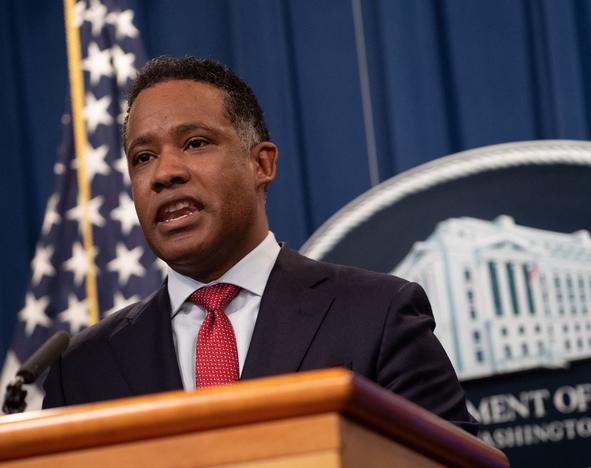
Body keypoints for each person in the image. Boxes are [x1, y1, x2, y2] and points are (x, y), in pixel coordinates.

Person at [42, 56, 478, 434]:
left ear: (261, 163)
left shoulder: (377, 315)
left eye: (195, 143)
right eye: (143, 157)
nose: (164, 173)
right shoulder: (82, 368)